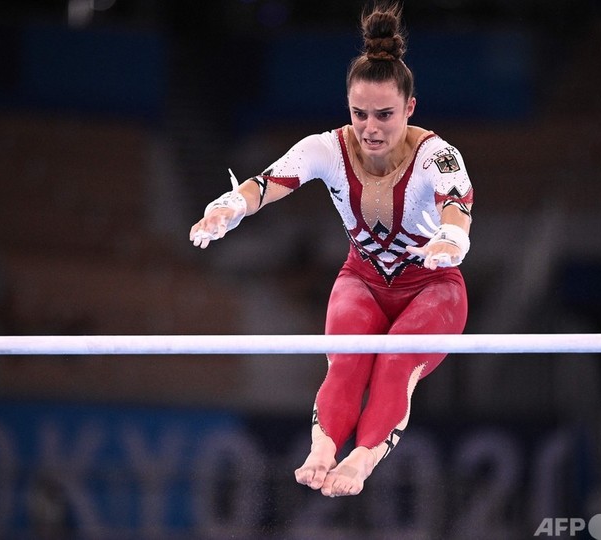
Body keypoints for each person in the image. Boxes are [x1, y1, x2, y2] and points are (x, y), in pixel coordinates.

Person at [189, 1, 473, 497]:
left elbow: (457, 208)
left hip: (433, 289)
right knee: (345, 361)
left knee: (395, 361)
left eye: (385, 114)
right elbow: (265, 183)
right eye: (359, 113)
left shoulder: (438, 155)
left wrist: (451, 237)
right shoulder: (327, 149)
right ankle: (322, 450)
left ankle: (361, 462)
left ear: (409, 108)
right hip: (361, 280)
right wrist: (229, 207)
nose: (371, 128)